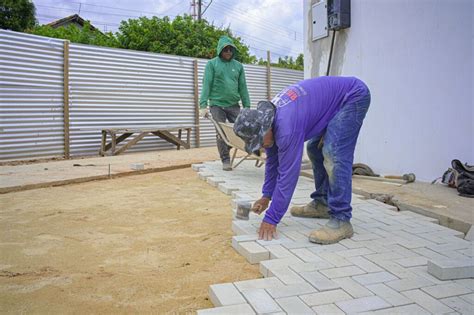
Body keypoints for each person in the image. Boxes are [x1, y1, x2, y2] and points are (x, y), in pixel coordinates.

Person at [233, 76, 371, 244]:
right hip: (333, 101)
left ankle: (341, 219)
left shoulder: (286, 128)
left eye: (259, 141)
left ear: (265, 128)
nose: (261, 146)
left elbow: (288, 176)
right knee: (314, 149)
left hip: (352, 96)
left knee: (333, 155)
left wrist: (272, 218)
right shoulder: (269, 120)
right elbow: (273, 162)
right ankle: (323, 203)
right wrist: (266, 196)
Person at [199, 35, 251, 171]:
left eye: (230, 49)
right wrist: (203, 105)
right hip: (217, 104)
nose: (228, 52)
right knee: (220, 132)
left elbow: (243, 87)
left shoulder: (238, 66)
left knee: (241, 130)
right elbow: (206, 84)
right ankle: (225, 159)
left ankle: (228, 146)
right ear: (220, 50)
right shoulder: (212, 64)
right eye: (225, 49)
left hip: (233, 104)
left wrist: (247, 106)